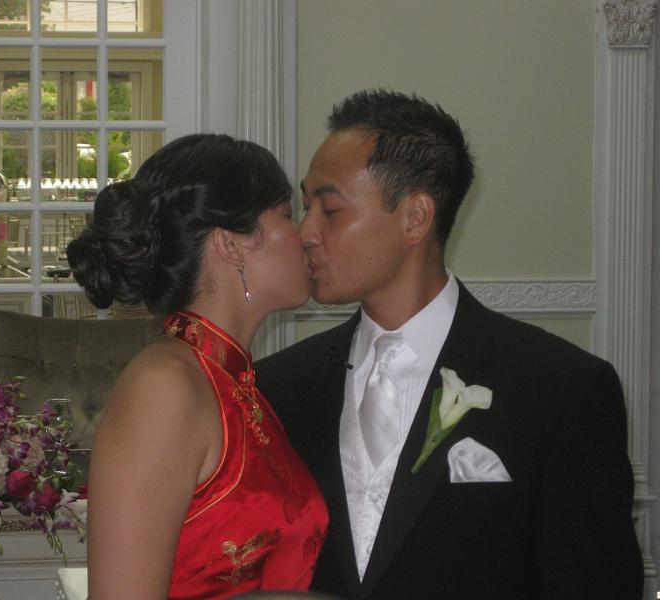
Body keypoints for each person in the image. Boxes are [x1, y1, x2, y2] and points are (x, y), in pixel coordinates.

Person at [255, 89, 643, 599]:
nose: (305, 232)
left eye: (329, 209)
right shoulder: (277, 387)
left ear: (415, 217)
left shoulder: (560, 390)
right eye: (306, 207)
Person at [67, 134, 328, 600]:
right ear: (230, 243)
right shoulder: (164, 387)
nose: (307, 233)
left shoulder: (234, 383)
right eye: (288, 214)